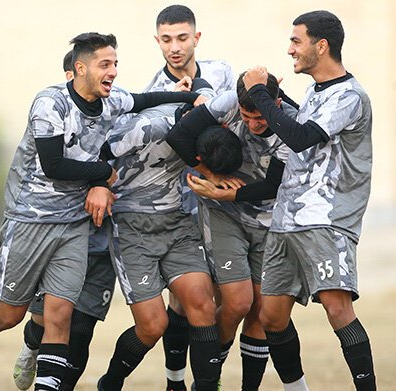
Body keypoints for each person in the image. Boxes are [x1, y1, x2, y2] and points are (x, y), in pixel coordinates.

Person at [0, 32, 205, 391]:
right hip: (30, 220)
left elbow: (144, 99)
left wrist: (192, 96)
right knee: (10, 314)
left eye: (115, 64)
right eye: (105, 64)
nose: (113, 71)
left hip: (73, 225)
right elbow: (54, 165)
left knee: (60, 316)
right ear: (79, 68)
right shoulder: (49, 104)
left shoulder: (110, 99)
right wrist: (103, 173)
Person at [242, 10, 376, 391]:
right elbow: (299, 123)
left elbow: (301, 137)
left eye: (296, 41)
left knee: (337, 308)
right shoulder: (316, 93)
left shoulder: (350, 96)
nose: (289, 50)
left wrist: (260, 95)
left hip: (325, 220)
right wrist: (274, 95)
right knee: (271, 316)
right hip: (287, 220)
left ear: (322, 45)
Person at [97, 75, 243, 391]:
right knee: (153, 326)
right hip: (133, 227)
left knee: (202, 304)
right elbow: (99, 153)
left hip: (177, 224)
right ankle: (110, 383)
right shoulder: (146, 128)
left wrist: (197, 89)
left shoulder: (208, 113)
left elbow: (204, 87)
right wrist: (97, 186)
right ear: (197, 157)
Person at [167, 73, 297, 391]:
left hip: (267, 220)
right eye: (246, 116)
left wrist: (228, 193)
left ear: (275, 105)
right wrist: (209, 174)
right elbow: (179, 136)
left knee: (260, 311)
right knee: (238, 302)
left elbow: (271, 185)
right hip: (224, 215)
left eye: (259, 117)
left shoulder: (289, 123)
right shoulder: (226, 104)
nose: (253, 124)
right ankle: (208, 377)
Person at [144, 5, 237, 391]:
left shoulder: (222, 74)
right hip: (181, 205)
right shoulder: (151, 92)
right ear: (157, 41)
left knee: (223, 297)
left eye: (182, 38)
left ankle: (206, 374)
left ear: (196, 38)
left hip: (225, 201)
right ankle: (175, 381)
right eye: (166, 39)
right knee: (186, 300)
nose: (175, 47)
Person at [12, 50, 117, 391]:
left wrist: (102, 182)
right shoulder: (50, 114)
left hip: (98, 237)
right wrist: (101, 174)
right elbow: (53, 166)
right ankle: (31, 344)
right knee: (45, 320)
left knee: (81, 330)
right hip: (56, 230)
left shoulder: (110, 109)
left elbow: (113, 154)